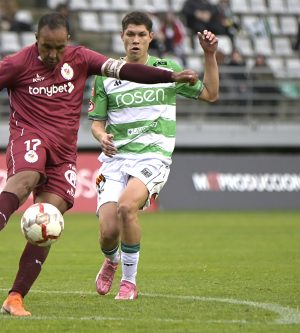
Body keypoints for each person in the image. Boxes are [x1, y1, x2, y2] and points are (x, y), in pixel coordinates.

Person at [0, 12, 198, 316]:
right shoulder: (16, 64)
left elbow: (128, 71)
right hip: (30, 137)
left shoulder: (81, 58)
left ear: (67, 41)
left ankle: (15, 298)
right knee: (25, 179)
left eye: (57, 48)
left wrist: (169, 76)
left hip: (63, 154)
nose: (52, 55)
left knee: (47, 221)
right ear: (35, 41)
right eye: (45, 48)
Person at [88, 11, 219, 300]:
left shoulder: (166, 70)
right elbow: (96, 122)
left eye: (141, 35)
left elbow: (210, 93)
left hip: (153, 157)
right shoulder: (106, 75)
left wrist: (209, 55)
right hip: (115, 159)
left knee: (126, 208)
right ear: (122, 37)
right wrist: (101, 136)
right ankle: (111, 260)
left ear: (151, 38)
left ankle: (129, 282)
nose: (135, 40)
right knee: (108, 231)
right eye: (130, 34)